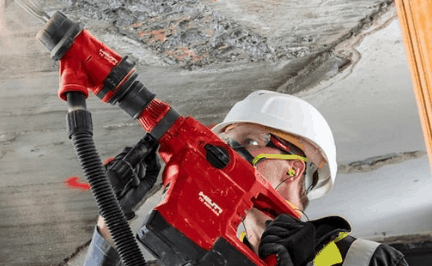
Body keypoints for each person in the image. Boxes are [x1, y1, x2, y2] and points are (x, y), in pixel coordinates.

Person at [84, 90, 408, 266]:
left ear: (293, 169)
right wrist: (110, 223)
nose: (233, 156)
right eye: (228, 145)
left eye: (250, 142)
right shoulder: (210, 253)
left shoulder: (365, 259)